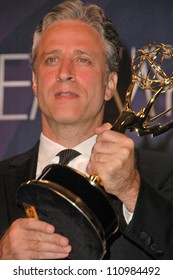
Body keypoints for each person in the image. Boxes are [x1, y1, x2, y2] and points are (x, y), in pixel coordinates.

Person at [0, 0, 173, 260]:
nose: (65, 73)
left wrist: (131, 190)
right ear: (35, 82)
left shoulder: (163, 175)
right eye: (52, 59)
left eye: (83, 59)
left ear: (109, 85)